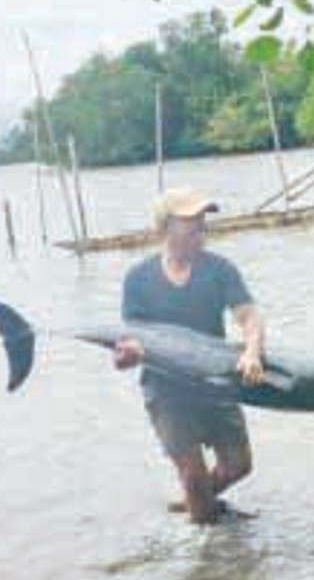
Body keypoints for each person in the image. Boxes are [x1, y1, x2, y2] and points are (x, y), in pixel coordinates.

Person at [113, 187, 265, 524]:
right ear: (165, 227)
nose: (201, 226)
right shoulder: (138, 279)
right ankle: (208, 547)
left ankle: (197, 505)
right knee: (193, 476)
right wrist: (128, 357)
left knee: (239, 465)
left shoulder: (219, 269)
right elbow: (129, 341)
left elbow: (249, 316)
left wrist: (252, 352)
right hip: (166, 390)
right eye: (191, 220)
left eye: (202, 219)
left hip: (213, 383)